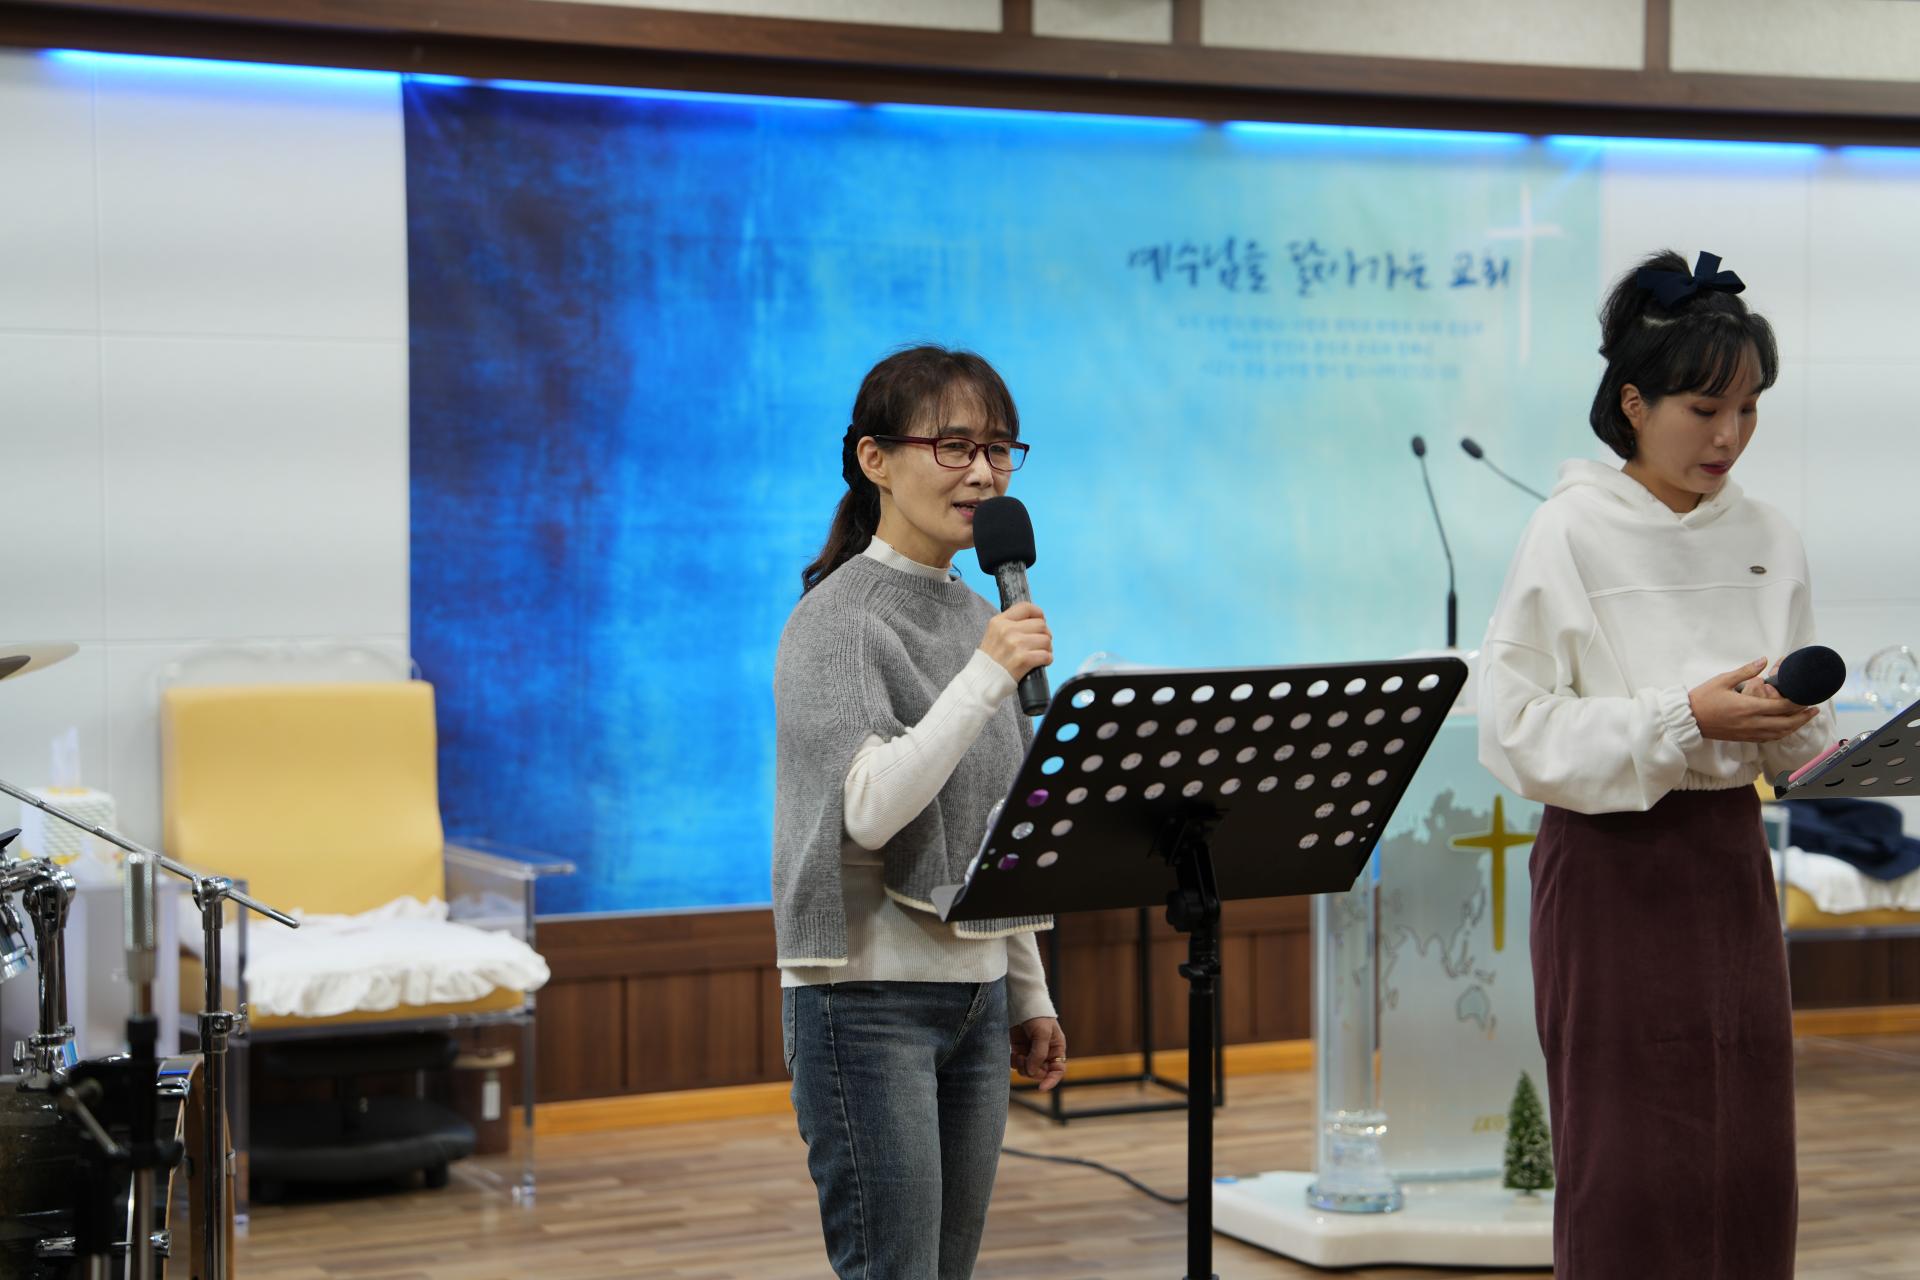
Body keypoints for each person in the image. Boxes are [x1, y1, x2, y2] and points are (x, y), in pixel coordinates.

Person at [1478, 250, 1833, 1279]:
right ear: (1632, 403)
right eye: (1703, 408)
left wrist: (1805, 732)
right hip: (1610, 867)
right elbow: (1515, 727)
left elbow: (1789, 738)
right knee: (1628, 1153)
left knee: (1747, 1145)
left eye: (1749, 409)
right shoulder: (1568, 530)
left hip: (1731, 857)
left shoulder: (1770, 535)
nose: (1729, 436)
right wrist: (1680, 718)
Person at [773, 344, 1068, 1280]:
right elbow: (867, 809)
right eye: (953, 446)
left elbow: (997, 824)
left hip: (977, 995)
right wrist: (986, 676)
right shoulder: (836, 618)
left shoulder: (979, 613)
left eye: (999, 448)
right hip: (864, 1001)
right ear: (875, 459)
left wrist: (1028, 992)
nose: (983, 472)